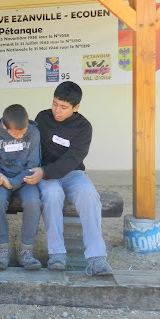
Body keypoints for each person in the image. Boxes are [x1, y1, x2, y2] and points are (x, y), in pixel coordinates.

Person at [24, 81, 113, 276]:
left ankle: (96, 257)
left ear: (76, 108)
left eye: (64, 107)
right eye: (55, 103)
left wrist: (45, 172)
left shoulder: (84, 127)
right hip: (46, 172)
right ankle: (57, 253)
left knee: (89, 194)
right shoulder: (43, 117)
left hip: (72, 172)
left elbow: (73, 159)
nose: (57, 110)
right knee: (53, 194)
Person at [0, 104, 42, 270]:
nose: (21, 136)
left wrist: (13, 183)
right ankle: (3, 250)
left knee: (33, 202)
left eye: (23, 131)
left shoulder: (34, 132)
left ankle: (26, 251)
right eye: (16, 133)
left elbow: (33, 165)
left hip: (25, 179)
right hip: (1, 178)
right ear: (4, 126)